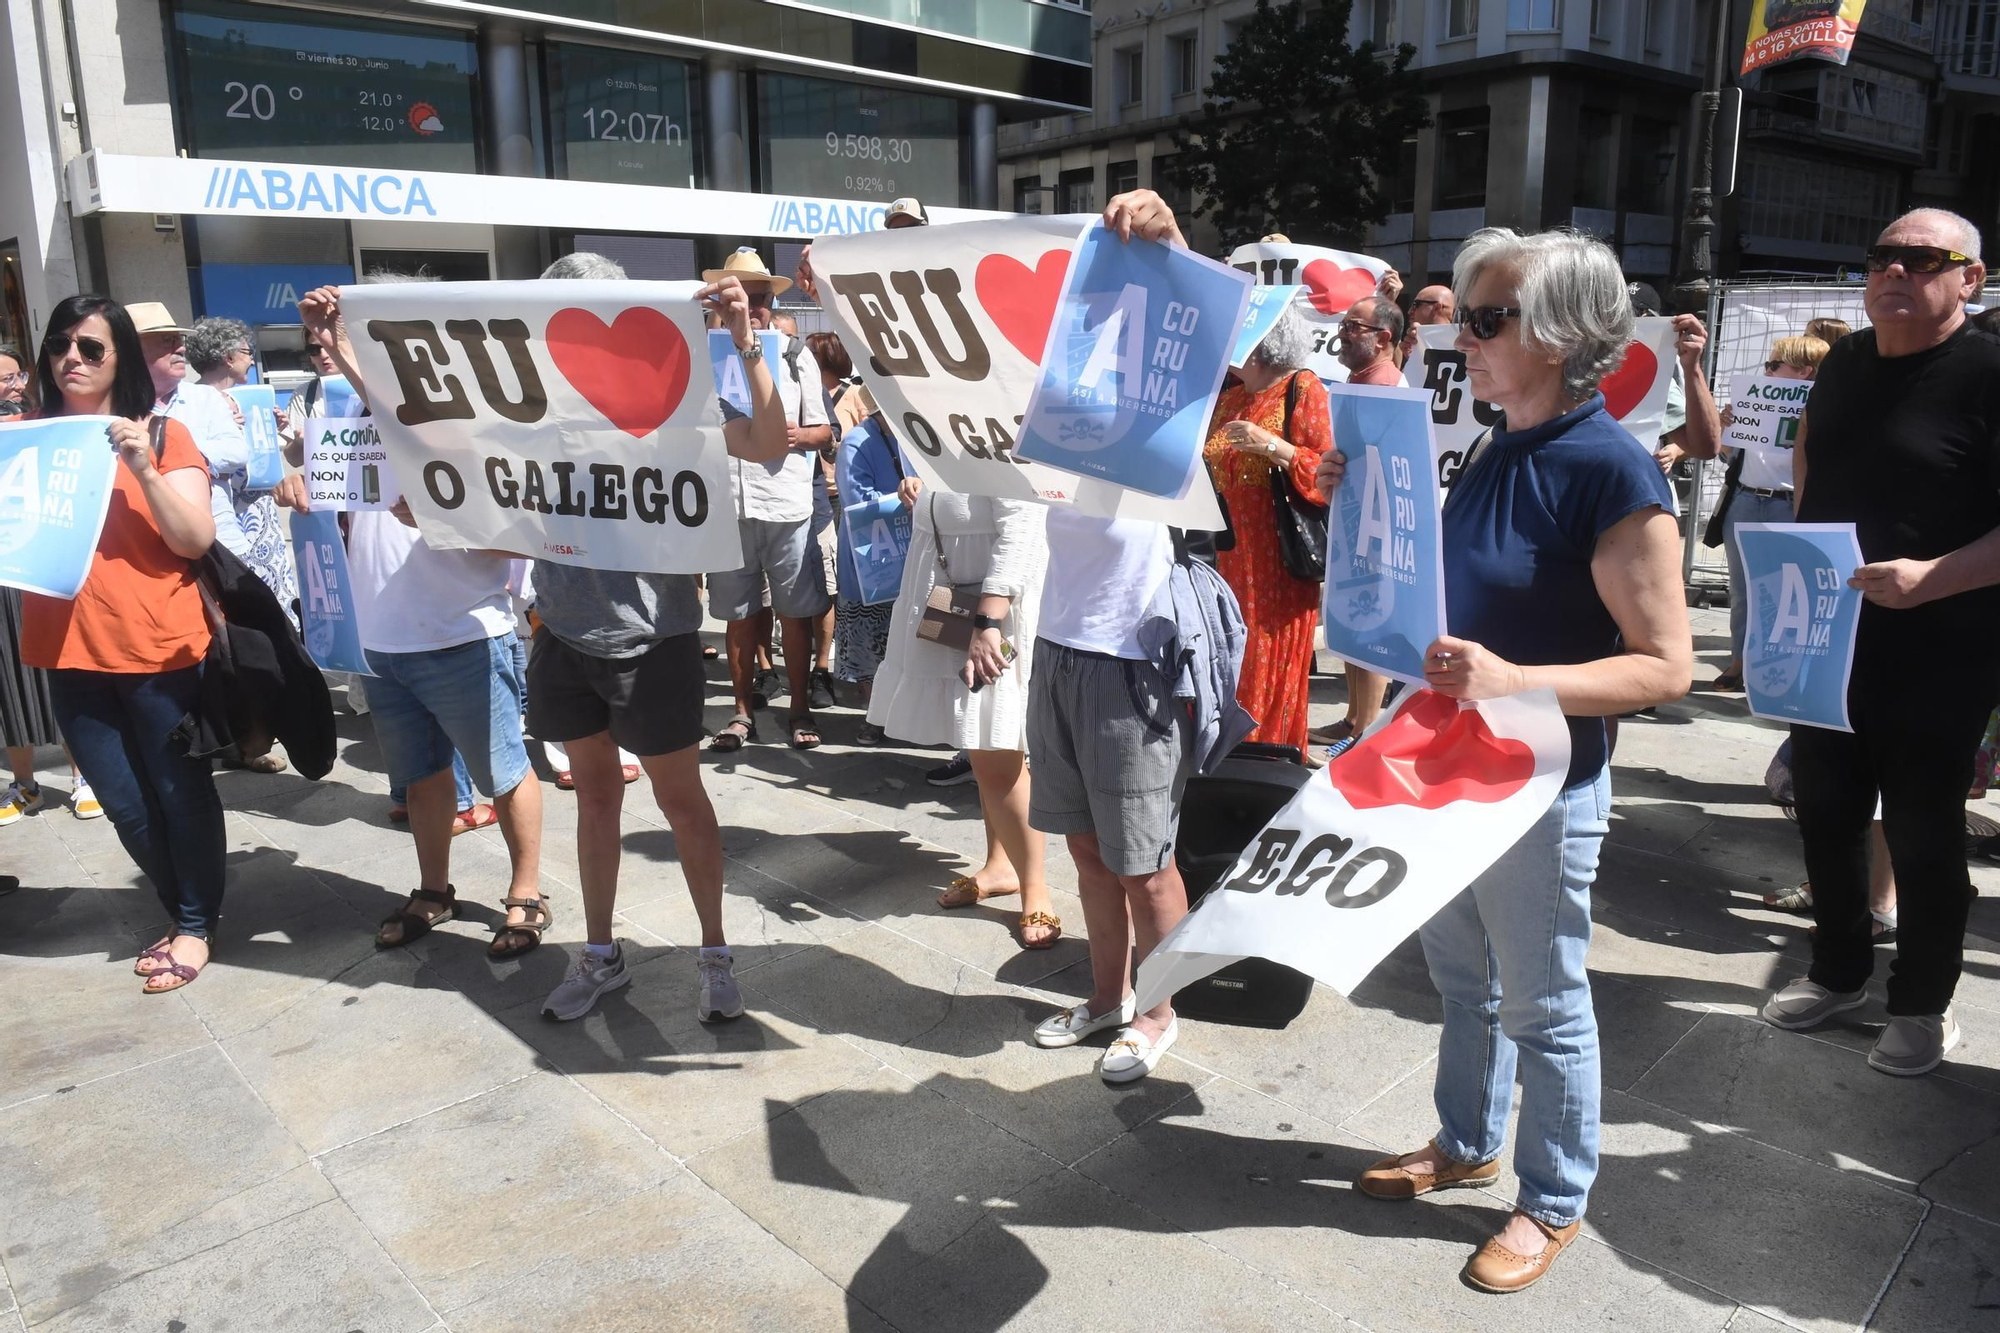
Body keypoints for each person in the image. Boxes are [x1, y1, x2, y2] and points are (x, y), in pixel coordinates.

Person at [1322, 228, 1691, 1292]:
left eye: (1484, 320)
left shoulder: (1609, 467)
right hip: (1453, 767)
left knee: (1539, 1000)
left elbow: (1664, 667)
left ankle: (1552, 1197)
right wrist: (1360, 494)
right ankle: (1465, 1140)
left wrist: (1509, 678)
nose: (1459, 339)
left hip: (1538, 781)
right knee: (1457, 978)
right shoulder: (1496, 442)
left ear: (1564, 336)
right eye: (1457, 318)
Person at [1761, 208, 2000, 1077]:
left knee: (1923, 827)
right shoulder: (1851, 362)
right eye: (1881, 258)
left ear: (1968, 278)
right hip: (1829, 634)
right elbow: (1813, 459)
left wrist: (1930, 576)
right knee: (1824, 808)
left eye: (1922, 259)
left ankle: (1923, 1002)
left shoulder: (1986, 372)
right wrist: (1799, 543)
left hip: (1943, 646)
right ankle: (1837, 970)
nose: (1894, 272)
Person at [524, 254, 791, 1022]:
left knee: (682, 802)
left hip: (656, 636)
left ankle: (715, 953)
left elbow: (768, 442)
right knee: (596, 796)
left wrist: (745, 341)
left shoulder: (674, 397)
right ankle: (601, 955)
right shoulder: (531, 409)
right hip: (564, 628)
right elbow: (473, 482)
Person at [1029, 189, 1255, 1084]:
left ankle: (1157, 1012)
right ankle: (1107, 994)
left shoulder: (1167, 412)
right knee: (1088, 849)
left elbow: (1190, 333)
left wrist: (1166, 242)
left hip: (1132, 652)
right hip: (1060, 641)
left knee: (1145, 862)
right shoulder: (1054, 397)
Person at [278, 278, 550, 958]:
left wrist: (442, 519)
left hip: (463, 632)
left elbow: (522, 534)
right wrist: (298, 481)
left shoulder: (479, 421)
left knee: (505, 772)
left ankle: (526, 890)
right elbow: (331, 484)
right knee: (422, 777)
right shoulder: (363, 423)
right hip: (387, 640)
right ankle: (434, 887)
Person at [21, 295, 224, 992]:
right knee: (124, 801)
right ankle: (185, 911)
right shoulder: (24, 437)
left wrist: (142, 466)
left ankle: (195, 924)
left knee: (179, 791)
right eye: (59, 346)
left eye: (90, 347)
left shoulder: (164, 436)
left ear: (120, 360)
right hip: (66, 651)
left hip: (158, 651)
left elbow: (195, 539)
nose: (70, 359)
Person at [866, 466, 1058, 950]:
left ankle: (1036, 887)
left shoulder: (995, 429)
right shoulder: (943, 424)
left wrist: (988, 621)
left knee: (998, 758)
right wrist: (920, 490)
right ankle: (1000, 865)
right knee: (982, 744)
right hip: (952, 602)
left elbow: (1022, 530)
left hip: (991, 615)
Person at [131, 303, 289, 776]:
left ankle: (250, 739)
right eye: (162, 341)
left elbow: (238, 450)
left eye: (177, 338)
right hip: (148, 549)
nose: (178, 347)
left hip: (220, 537)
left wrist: (172, 454)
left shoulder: (203, 400)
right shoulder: (119, 405)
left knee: (238, 639)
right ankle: (192, 734)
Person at [704, 248, 834, 751]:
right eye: (742, 298)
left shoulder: (795, 354)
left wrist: (795, 436)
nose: (752, 308)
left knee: (794, 613)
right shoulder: (704, 357)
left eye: (760, 299)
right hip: (728, 505)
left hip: (785, 502)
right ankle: (742, 714)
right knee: (737, 615)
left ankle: (799, 709)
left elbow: (825, 428)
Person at [1202, 307, 1333, 754]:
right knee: (1230, 659)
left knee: (1266, 663)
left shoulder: (1302, 388)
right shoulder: (1231, 397)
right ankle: (1230, 762)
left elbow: (1328, 473)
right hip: (1225, 557)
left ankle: (1265, 761)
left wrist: (1272, 447)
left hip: (1275, 563)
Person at [1320, 295, 1409, 752]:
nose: (1343, 331)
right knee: (1353, 620)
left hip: (1379, 523)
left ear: (1383, 339)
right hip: (1354, 514)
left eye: (1354, 326)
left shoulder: (1391, 388)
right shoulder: (1358, 382)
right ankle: (1354, 717)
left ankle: (1365, 733)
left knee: (1371, 621)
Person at [1713, 334, 1827, 689]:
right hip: (1746, 500)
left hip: (1788, 504)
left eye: (1774, 364)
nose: (1767, 370)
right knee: (1742, 588)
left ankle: (1777, 670)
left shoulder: (1824, 408)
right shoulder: (1754, 401)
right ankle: (1739, 662)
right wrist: (1727, 423)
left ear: (1804, 372)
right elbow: (1724, 452)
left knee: (1788, 593)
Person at [185, 317, 300, 632]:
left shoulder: (250, 398)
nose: (252, 359)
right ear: (228, 357)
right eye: (247, 352)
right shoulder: (190, 403)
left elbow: (260, 454)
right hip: (226, 514)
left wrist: (275, 429)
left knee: (268, 597)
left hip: (258, 513)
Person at [830, 385, 903, 745]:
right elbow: (855, 498)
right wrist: (906, 498)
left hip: (907, 555)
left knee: (902, 639)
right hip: (867, 559)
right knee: (866, 641)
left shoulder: (913, 435)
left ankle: (900, 713)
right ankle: (874, 715)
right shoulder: (857, 441)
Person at [1400, 283, 1457, 365]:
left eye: (1416, 304)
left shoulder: (1463, 345)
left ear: (1437, 307)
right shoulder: (1413, 346)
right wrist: (1413, 360)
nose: (1409, 311)